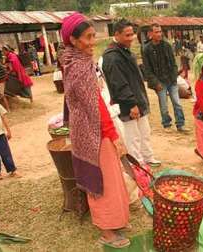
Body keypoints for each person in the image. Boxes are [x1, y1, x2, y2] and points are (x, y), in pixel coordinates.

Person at [60, 13, 130, 248]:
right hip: (93, 133)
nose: (92, 42)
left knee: (110, 178)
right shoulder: (79, 66)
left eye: (94, 36)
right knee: (102, 182)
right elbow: (96, 106)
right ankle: (107, 232)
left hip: (90, 130)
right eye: (88, 37)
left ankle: (116, 220)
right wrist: (113, 135)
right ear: (73, 40)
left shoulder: (73, 61)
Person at [102, 19, 161, 167]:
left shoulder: (125, 50)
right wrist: (131, 104)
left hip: (138, 99)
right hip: (128, 104)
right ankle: (137, 164)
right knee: (133, 137)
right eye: (127, 35)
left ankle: (148, 157)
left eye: (132, 34)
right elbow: (119, 84)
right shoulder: (112, 56)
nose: (131, 38)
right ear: (117, 34)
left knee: (144, 132)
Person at [143, 23, 187, 132]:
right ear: (150, 34)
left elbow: (173, 63)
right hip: (159, 81)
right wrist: (155, 83)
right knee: (163, 105)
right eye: (156, 32)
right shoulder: (147, 49)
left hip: (171, 80)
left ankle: (180, 124)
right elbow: (147, 69)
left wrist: (174, 77)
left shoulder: (166, 46)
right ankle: (167, 124)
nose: (159, 34)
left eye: (160, 31)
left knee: (177, 103)